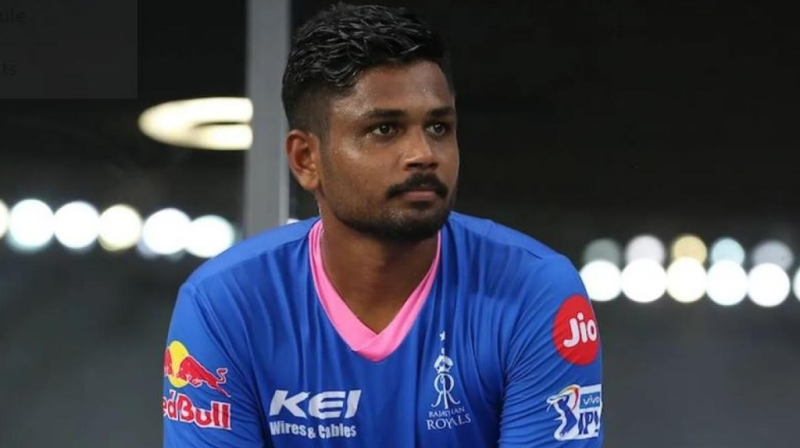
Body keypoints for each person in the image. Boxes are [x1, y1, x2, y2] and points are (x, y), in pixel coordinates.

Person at [162, 3, 603, 447]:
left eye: (438, 127)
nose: (423, 153)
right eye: (384, 129)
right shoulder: (223, 303)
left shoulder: (535, 291)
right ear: (306, 159)